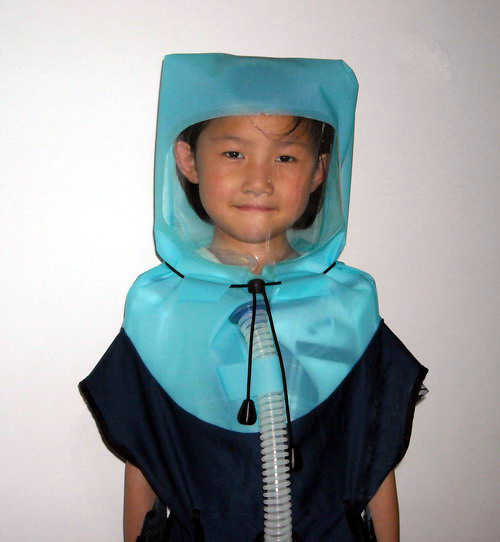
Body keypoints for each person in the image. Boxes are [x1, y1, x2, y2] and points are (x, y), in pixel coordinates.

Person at [79, 53, 428, 542]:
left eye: (285, 157)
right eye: (233, 153)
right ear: (188, 160)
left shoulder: (347, 304)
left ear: (319, 171)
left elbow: (373, 457)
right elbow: (145, 460)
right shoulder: (159, 307)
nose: (259, 180)